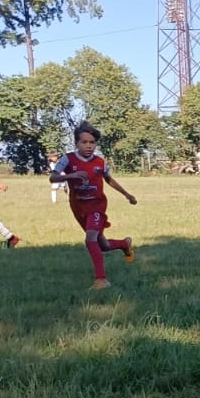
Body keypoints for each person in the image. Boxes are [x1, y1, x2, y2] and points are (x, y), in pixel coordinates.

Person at [51, 122, 138, 290]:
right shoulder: (67, 159)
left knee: (90, 239)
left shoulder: (100, 162)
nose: (89, 146)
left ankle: (101, 280)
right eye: (84, 142)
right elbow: (52, 178)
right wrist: (71, 175)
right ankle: (124, 244)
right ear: (76, 143)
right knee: (102, 245)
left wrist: (127, 194)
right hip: (78, 207)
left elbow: (109, 179)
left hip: (97, 206)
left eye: (92, 142)